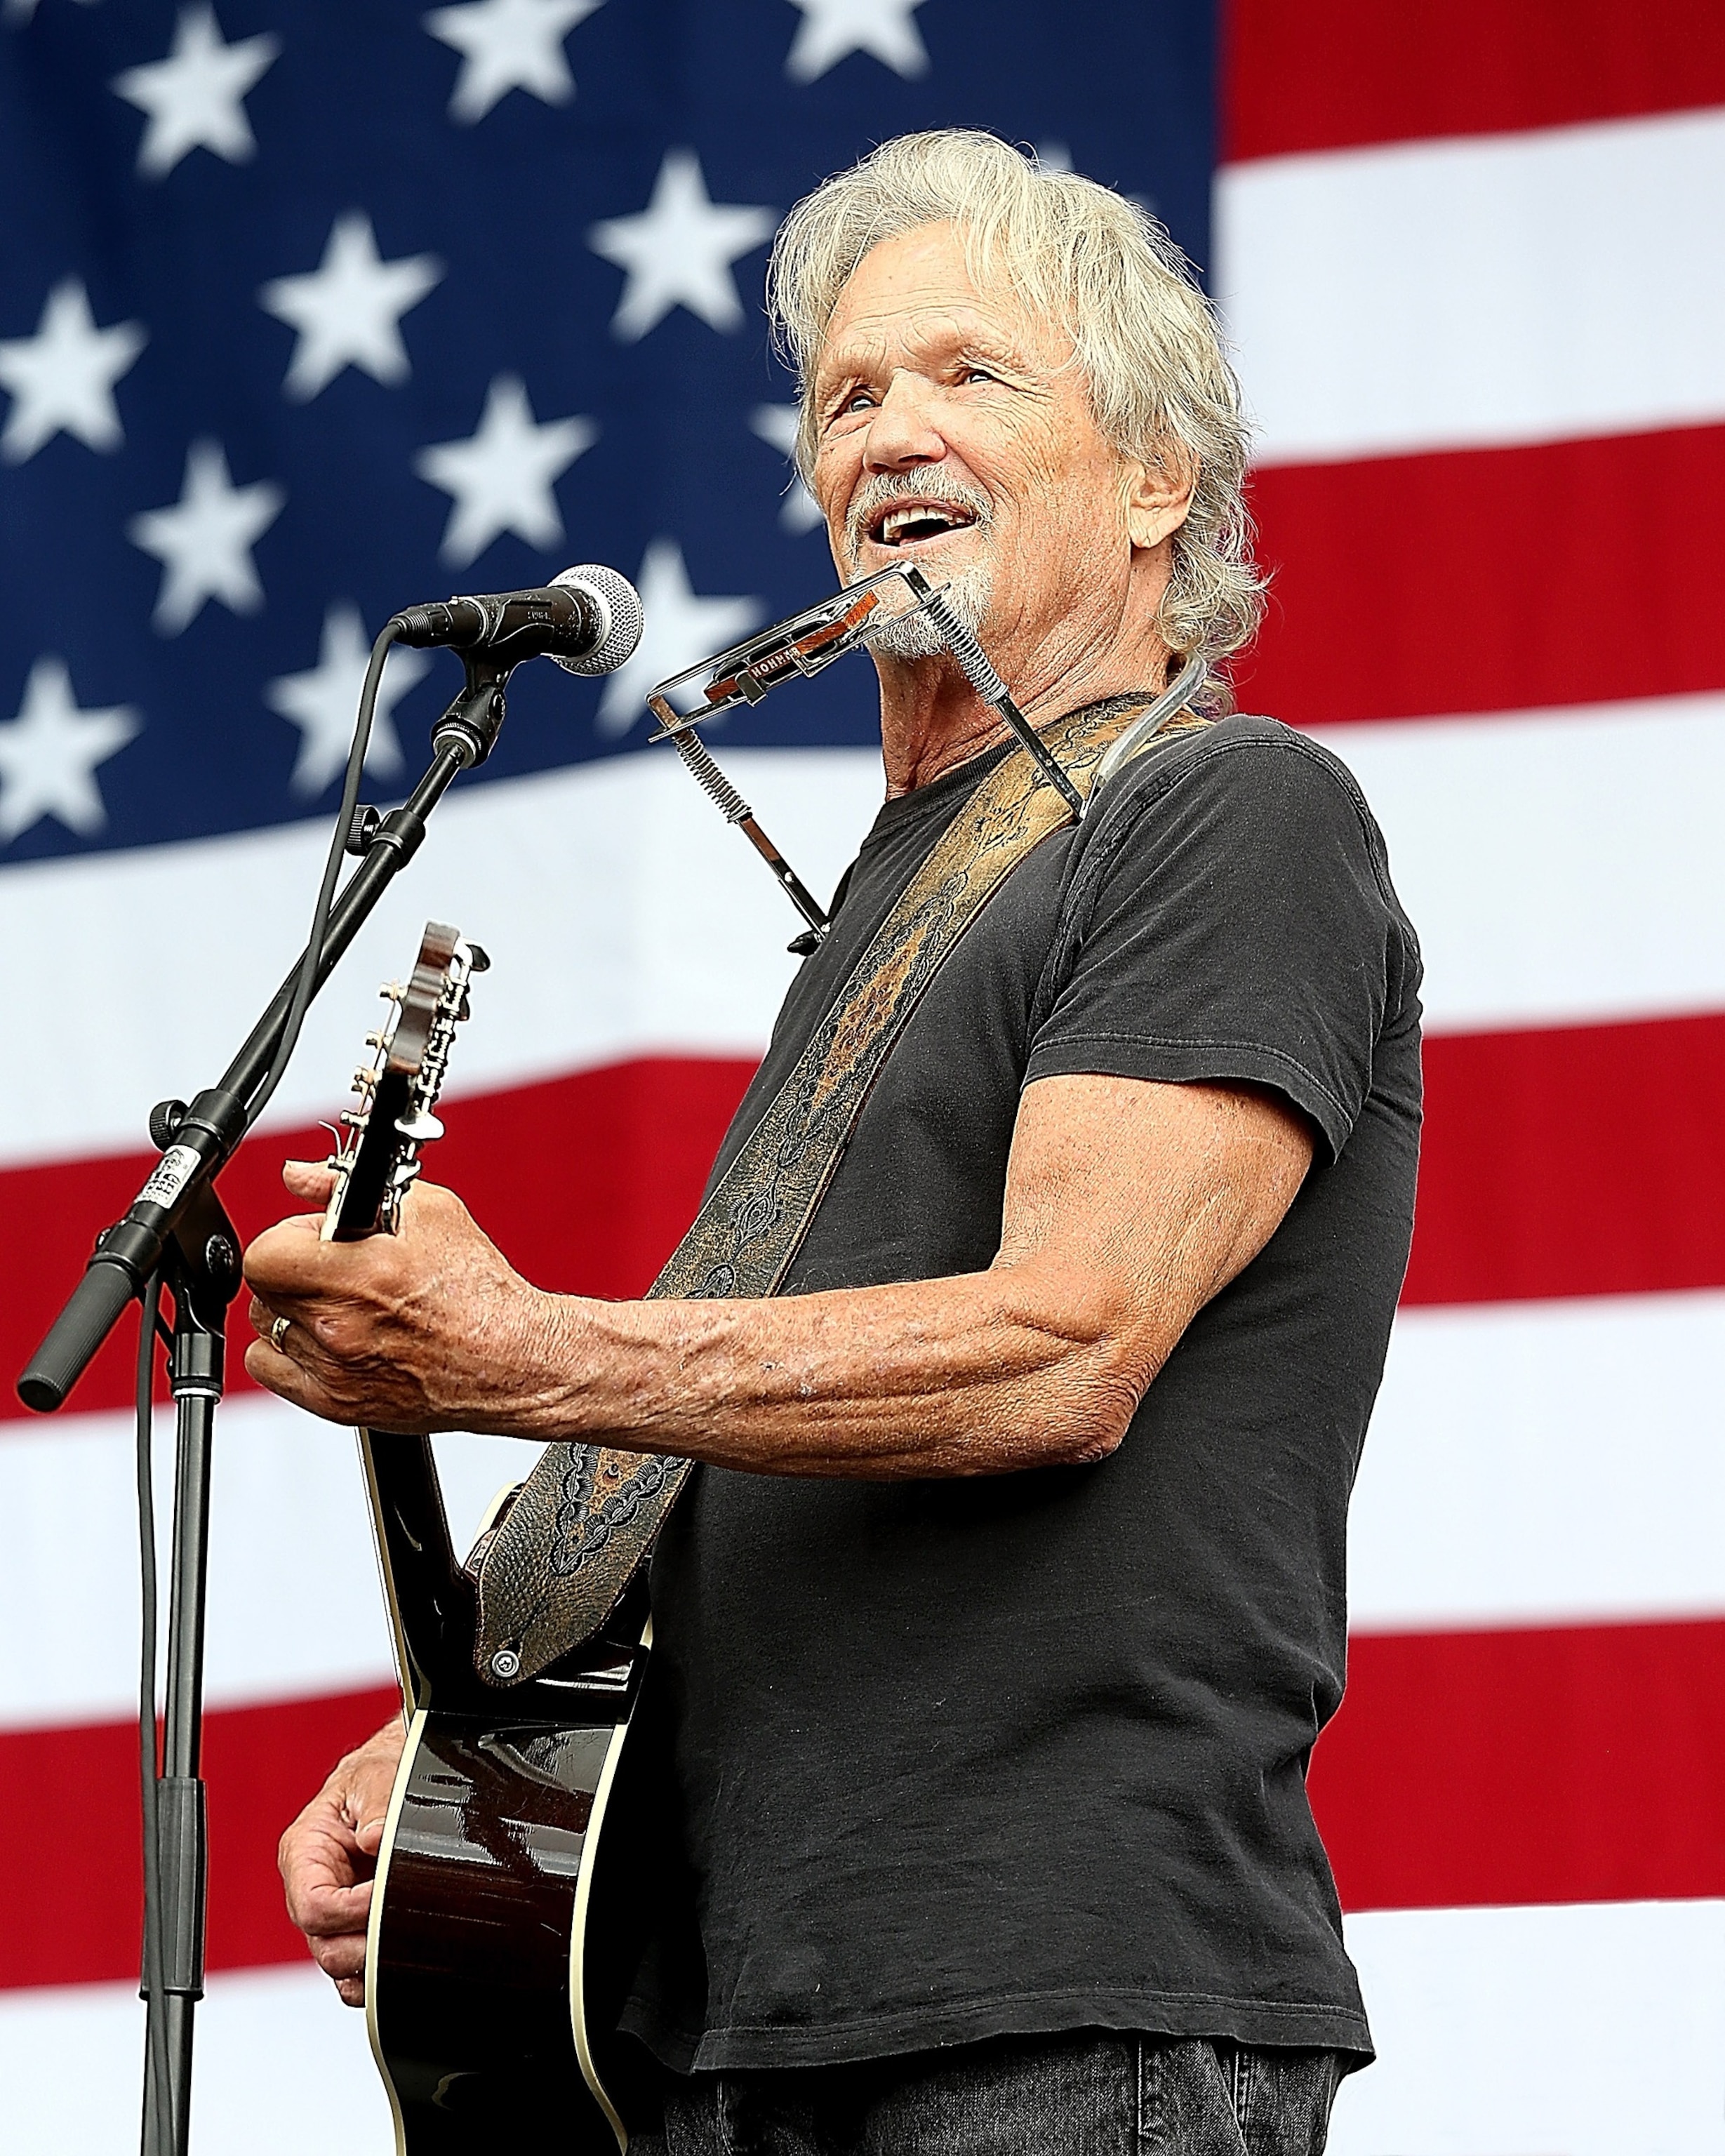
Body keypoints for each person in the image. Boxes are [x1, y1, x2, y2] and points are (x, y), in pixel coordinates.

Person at [246, 131, 1421, 2156]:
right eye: (845, 395)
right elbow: (762, 1416)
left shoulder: (1223, 811)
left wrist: (514, 1351)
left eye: (973, 374)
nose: (889, 430)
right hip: (705, 2015)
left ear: (1157, 483)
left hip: (1047, 2005)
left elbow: (1062, 1348)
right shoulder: (882, 901)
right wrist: (464, 1730)